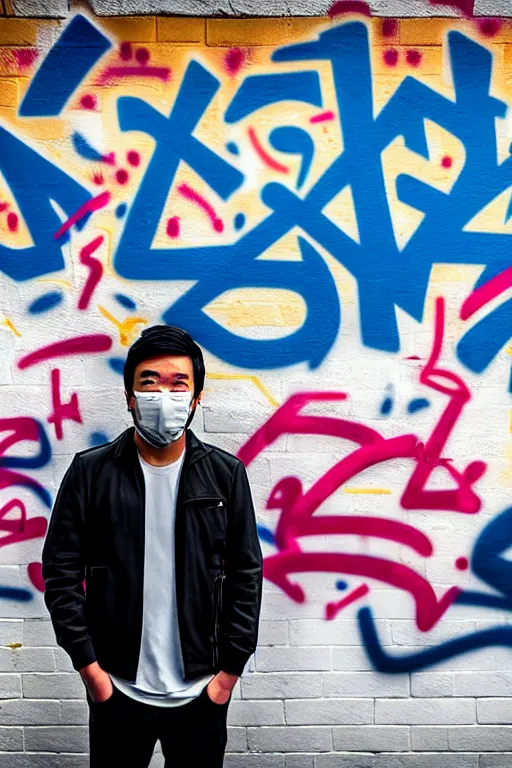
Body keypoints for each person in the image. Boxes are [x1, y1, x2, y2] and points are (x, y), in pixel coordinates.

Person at [42, 325, 263, 768]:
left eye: (178, 383)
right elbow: (60, 572)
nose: (164, 395)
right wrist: (91, 672)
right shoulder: (91, 473)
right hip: (117, 691)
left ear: (197, 398)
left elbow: (246, 576)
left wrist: (227, 677)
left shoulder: (225, 475)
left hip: (201, 694)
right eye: (149, 382)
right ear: (129, 396)